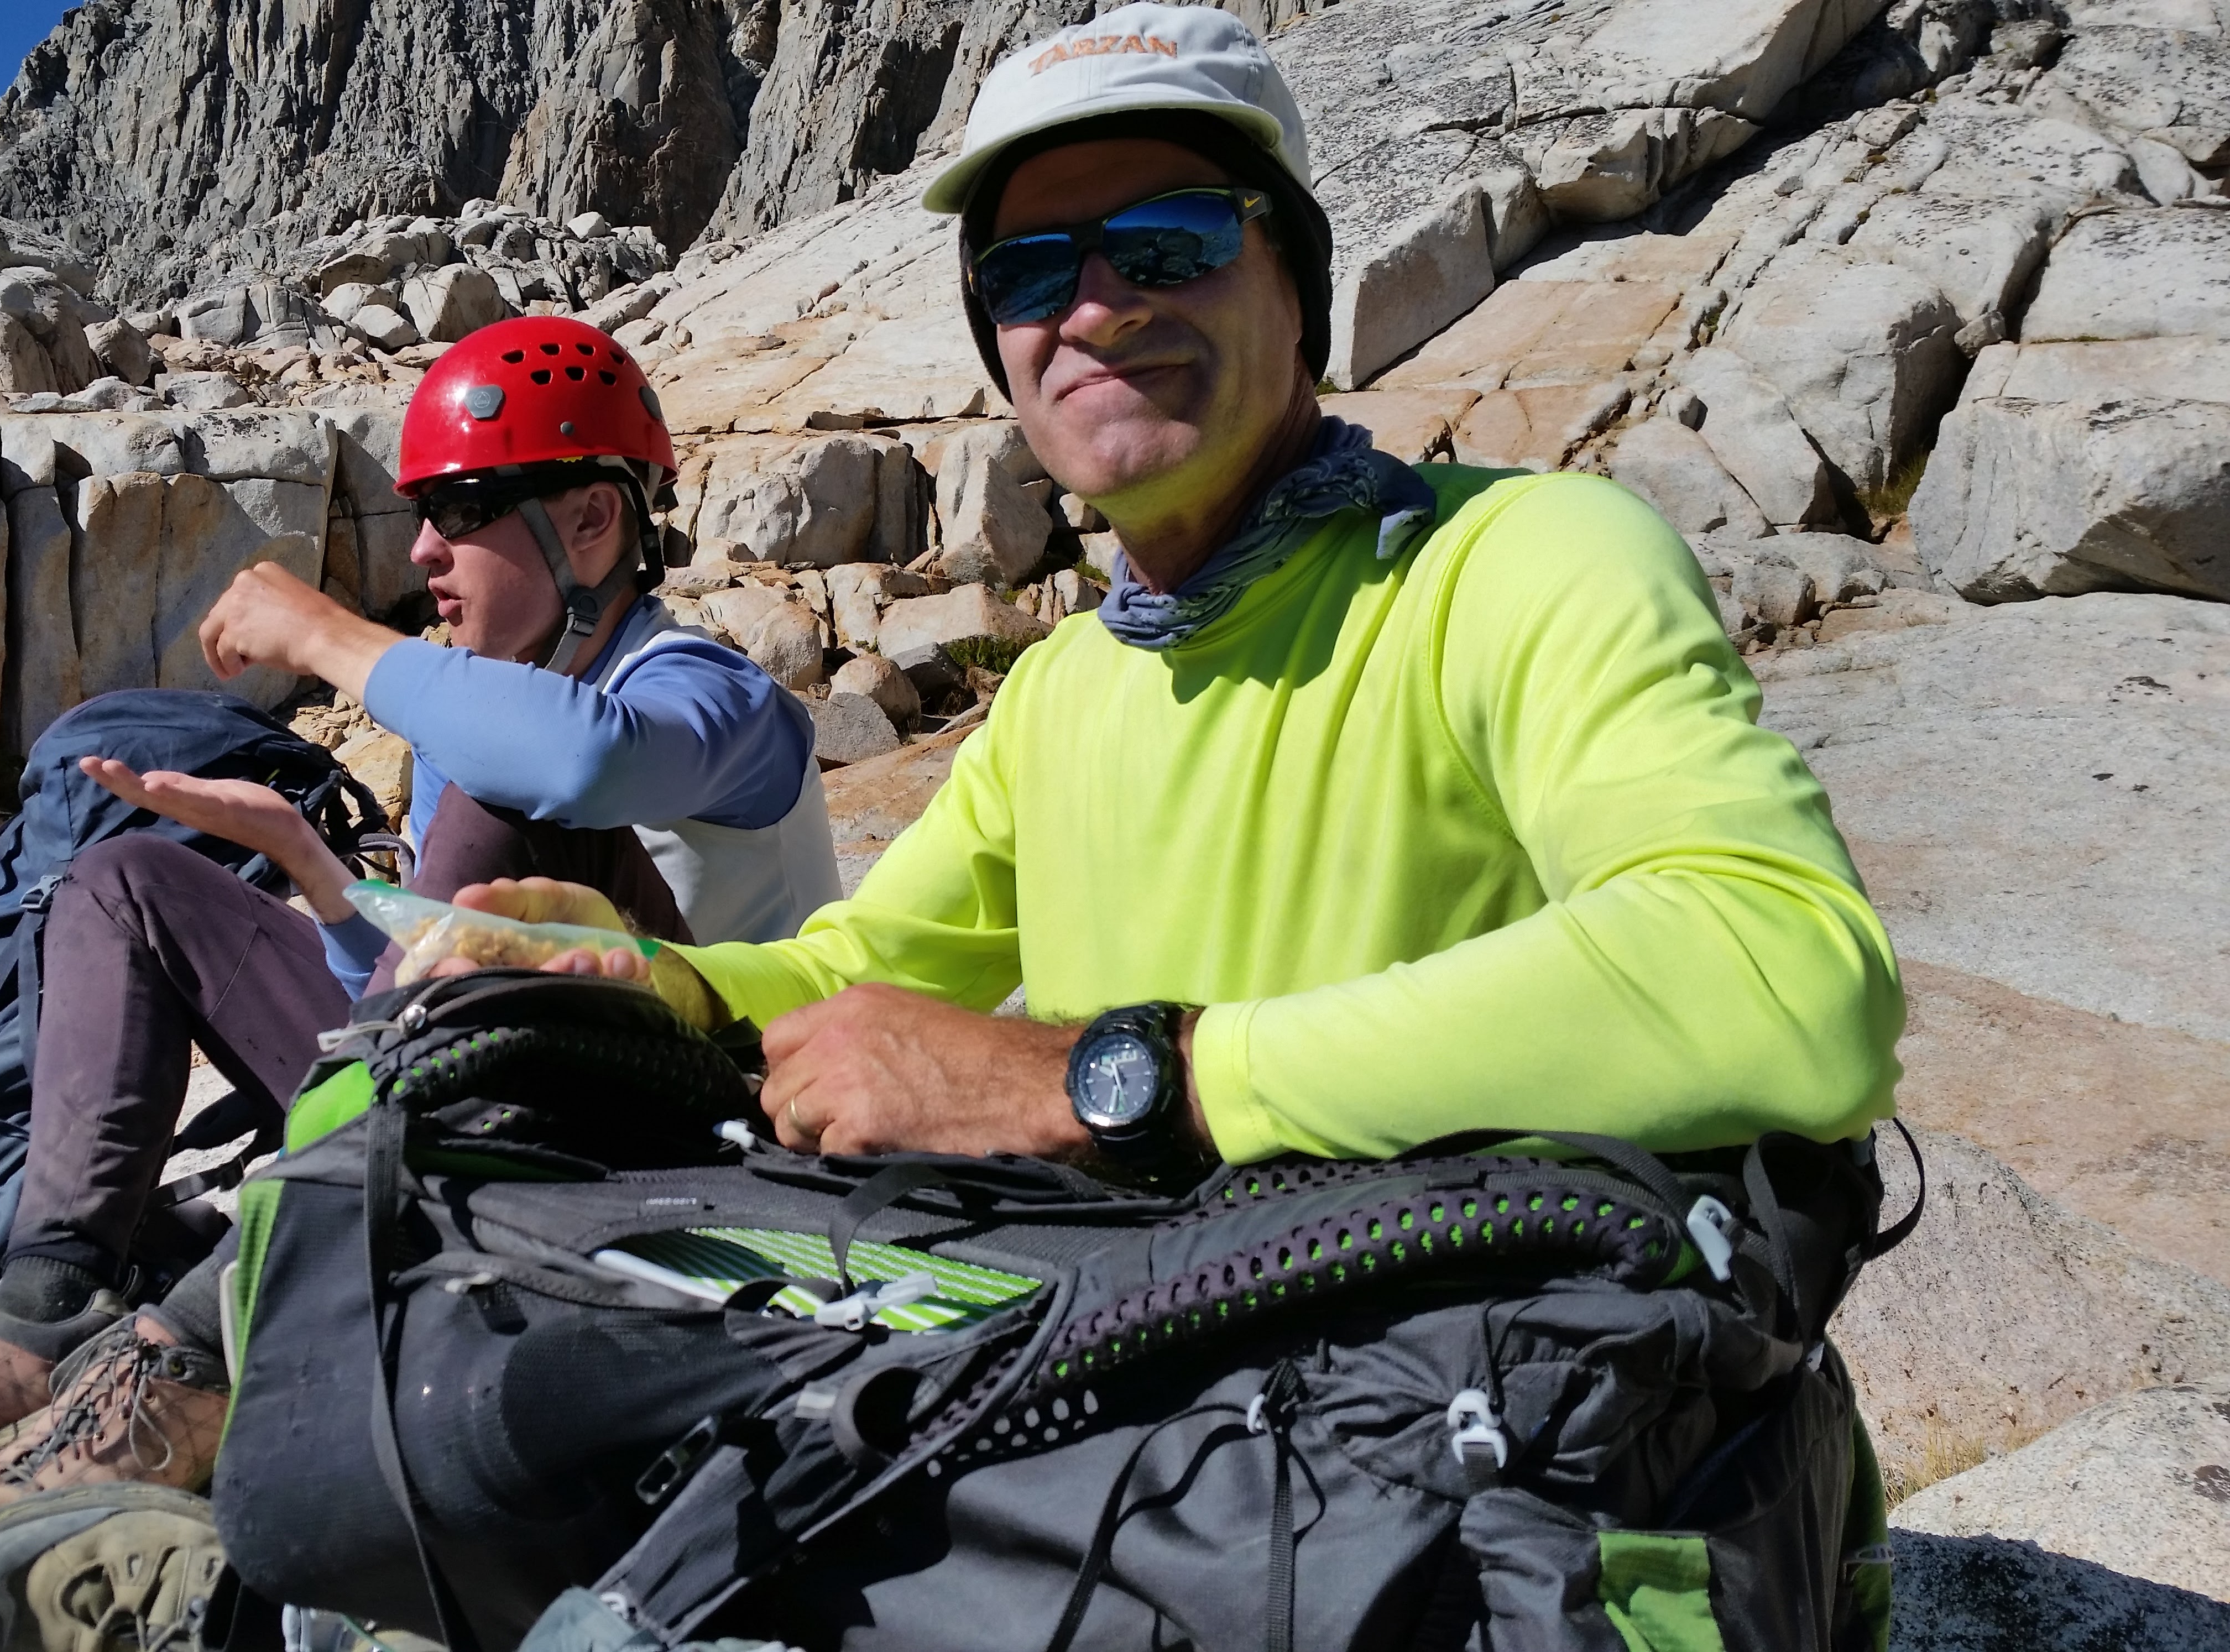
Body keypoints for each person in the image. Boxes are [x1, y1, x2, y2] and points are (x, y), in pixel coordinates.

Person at [456, 8, 1903, 1217]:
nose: (1091, 306)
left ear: (1298, 288)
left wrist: (1101, 1080)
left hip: (1436, 1423)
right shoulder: (1061, 694)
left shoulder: (1523, 562)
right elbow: (847, 974)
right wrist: (652, 976)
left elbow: (1778, 975)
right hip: (1152, 1422)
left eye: (1167, 239)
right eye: (1029, 272)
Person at [0, 316, 844, 1510]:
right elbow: (420, 989)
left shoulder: (712, 695)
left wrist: (324, 635)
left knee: (494, 778)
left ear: (592, 520)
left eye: (466, 507)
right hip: (483, 1099)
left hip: (697, 1137)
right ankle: (45, 1304)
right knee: (127, 888)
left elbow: (581, 769)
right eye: (422, 511)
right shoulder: (494, 718)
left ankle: (202, 1341)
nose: (424, 549)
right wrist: (314, 875)